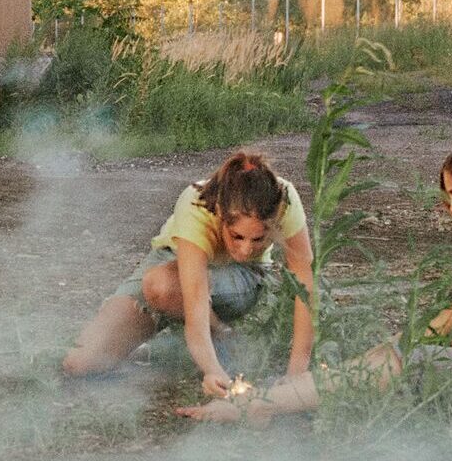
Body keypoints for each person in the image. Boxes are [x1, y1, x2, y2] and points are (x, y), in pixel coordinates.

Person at [180, 132, 452, 421]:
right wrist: (397, 347)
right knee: (417, 346)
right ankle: (274, 399)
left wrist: (402, 356)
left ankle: (263, 404)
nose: (451, 207)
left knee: (413, 361)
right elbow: (444, 324)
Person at [60, 152, 317, 397]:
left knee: (164, 284)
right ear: (220, 213)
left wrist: (297, 373)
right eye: (237, 236)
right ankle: (209, 339)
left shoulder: (284, 201)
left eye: (258, 239)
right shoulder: (196, 201)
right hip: (172, 262)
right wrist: (212, 370)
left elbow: (304, 289)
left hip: (243, 275)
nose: (246, 248)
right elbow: (194, 301)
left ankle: (218, 342)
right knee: (80, 363)